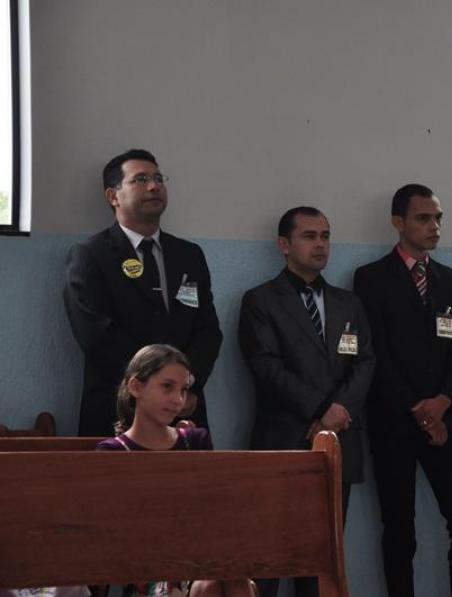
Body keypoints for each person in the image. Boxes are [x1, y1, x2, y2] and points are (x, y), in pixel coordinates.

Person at [353, 183, 452, 597]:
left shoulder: (449, 279)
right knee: (399, 530)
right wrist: (419, 410)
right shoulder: (371, 278)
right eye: (423, 218)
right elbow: (376, 353)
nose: (434, 227)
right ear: (398, 222)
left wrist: (442, 403)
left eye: (438, 218)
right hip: (394, 421)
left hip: (445, 417)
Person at [238, 206, 375, 597]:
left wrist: (338, 412)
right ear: (284, 245)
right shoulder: (261, 300)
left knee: (320, 558)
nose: (320, 245)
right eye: (309, 236)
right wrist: (321, 410)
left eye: (325, 236)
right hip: (282, 440)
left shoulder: (349, 303)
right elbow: (266, 367)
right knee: (269, 554)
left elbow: (365, 361)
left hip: (339, 441)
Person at [65, 149, 223, 437]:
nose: (153, 186)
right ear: (113, 195)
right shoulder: (91, 255)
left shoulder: (189, 255)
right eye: (140, 179)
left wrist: (184, 385)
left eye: (158, 179)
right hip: (119, 410)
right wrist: (156, 387)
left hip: (184, 409)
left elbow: (207, 330)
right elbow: (97, 336)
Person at [96, 344, 254, 597]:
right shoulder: (114, 451)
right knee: (210, 586)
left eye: (183, 390)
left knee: (235, 580)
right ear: (136, 387)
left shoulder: (195, 440)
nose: (178, 399)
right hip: (146, 567)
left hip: (200, 555)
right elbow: (115, 532)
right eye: (167, 387)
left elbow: (214, 507)